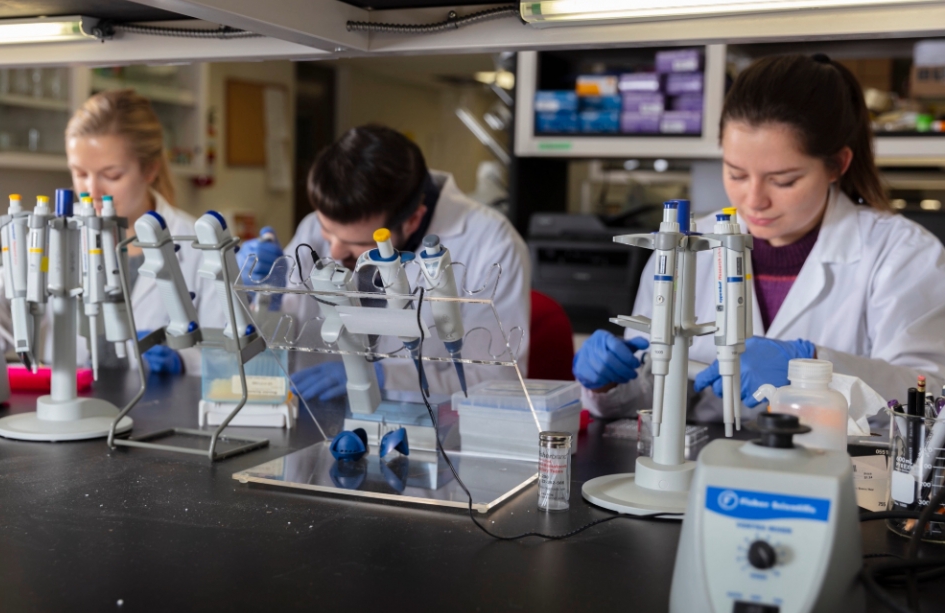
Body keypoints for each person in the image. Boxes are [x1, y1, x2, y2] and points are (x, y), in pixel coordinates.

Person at [575, 53, 945, 422]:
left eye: (783, 180)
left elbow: (931, 393)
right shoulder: (687, 245)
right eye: (736, 174)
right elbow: (649, 397)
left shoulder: (903, 254)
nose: (754, 201)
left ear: (838, 165)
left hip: (837, 471)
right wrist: (609, 384)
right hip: (707, 465)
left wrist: (813, 367)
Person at [0, 90, 219, 374]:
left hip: (161, 409)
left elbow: (228, 355)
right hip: (70, 403)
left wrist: (184, 361)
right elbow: (1, 318)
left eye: (112, 175)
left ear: (150, 169)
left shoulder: (196, 243)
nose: (92, 191)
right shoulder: (54, 233)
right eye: (80, 173)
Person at [237, 124, 531, 400]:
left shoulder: (493, 244)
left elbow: (498, 379)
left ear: (413, 220)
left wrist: (386, 374)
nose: (335, 251)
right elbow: (288, 333)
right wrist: (264, 299)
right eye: (327, 231)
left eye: (359, 244)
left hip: (432, 435)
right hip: (323, 422)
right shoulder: (318, 227)